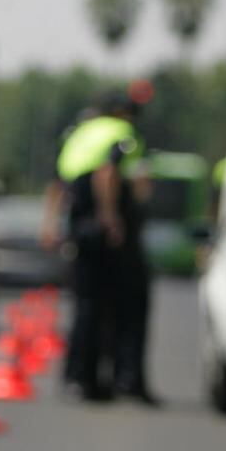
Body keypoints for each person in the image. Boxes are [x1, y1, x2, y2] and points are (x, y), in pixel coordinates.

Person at [41, 92, 158, 404]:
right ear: (124, 114)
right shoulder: (123, 134)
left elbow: (57, 184)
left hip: (80, 229)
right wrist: (111, 218)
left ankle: (81, 378)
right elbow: (108, 174)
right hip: (111, 230)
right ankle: (127, 379)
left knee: (87, 305)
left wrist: (50, 225)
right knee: (131, 305)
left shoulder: (79, 135)